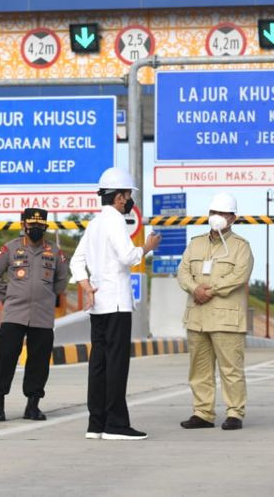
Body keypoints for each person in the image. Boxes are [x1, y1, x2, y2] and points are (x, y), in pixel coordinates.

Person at [70, 166, 161, 440]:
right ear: (119, 197)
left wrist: (86, 286)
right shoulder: (115, 222)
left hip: (99, 304)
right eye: (127, 195)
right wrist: (147, 247)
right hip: (117, 305)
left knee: (98, 364)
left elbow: (76, 261)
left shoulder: (95, 223)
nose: (129, 201)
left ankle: (96, 423)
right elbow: (128, 257)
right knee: (117, 365)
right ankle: (116, 425)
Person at [176, 193, 254, 430]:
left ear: (233, 218)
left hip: (225, 318)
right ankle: (203, 412)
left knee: (231, 369)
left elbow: (239, 275)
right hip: (197, 318)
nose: (216, 218)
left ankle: (234, 412)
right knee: (199, 368)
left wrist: (209, 290)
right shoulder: (196, 243)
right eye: (213, 213)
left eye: (222, 214)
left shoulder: (240, 247)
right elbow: (183, 272)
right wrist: (193, 288)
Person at [0, 207, 69, 422]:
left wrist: (48, 296)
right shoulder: (11, 249)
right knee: (5, 358)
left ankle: (33, 405)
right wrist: (9, 296)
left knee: (39, 362)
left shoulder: (54, 251)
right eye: (32, 226)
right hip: (15, 313)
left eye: (40, 226)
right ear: (24, 225)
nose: (36, 230)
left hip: (42, 316)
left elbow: (62, 279)